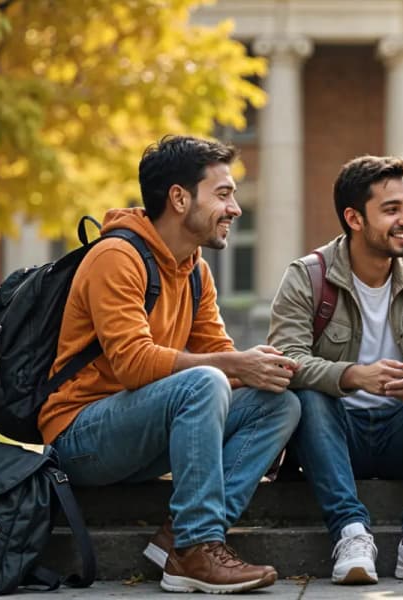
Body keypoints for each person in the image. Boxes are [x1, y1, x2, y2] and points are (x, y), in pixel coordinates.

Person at [39, 135, 302, 594]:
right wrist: (232, 363)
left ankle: (179, 536)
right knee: (203, 381)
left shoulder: (195, 271)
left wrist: (264, 370)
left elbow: (219, 356)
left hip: (146, 428)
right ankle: (198, 547)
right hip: (80, 436)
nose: (235, 208)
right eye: (223, 194)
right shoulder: (116, 257)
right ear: (179, 198)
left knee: (280, 405)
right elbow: (134, 365)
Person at [267, 155, 403, 585]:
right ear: (354, 218)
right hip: (335, 436)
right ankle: (350, 534)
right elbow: (285, 362)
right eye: (391, 210)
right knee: (308, 396)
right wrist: (351, 376)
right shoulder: (307, 277)